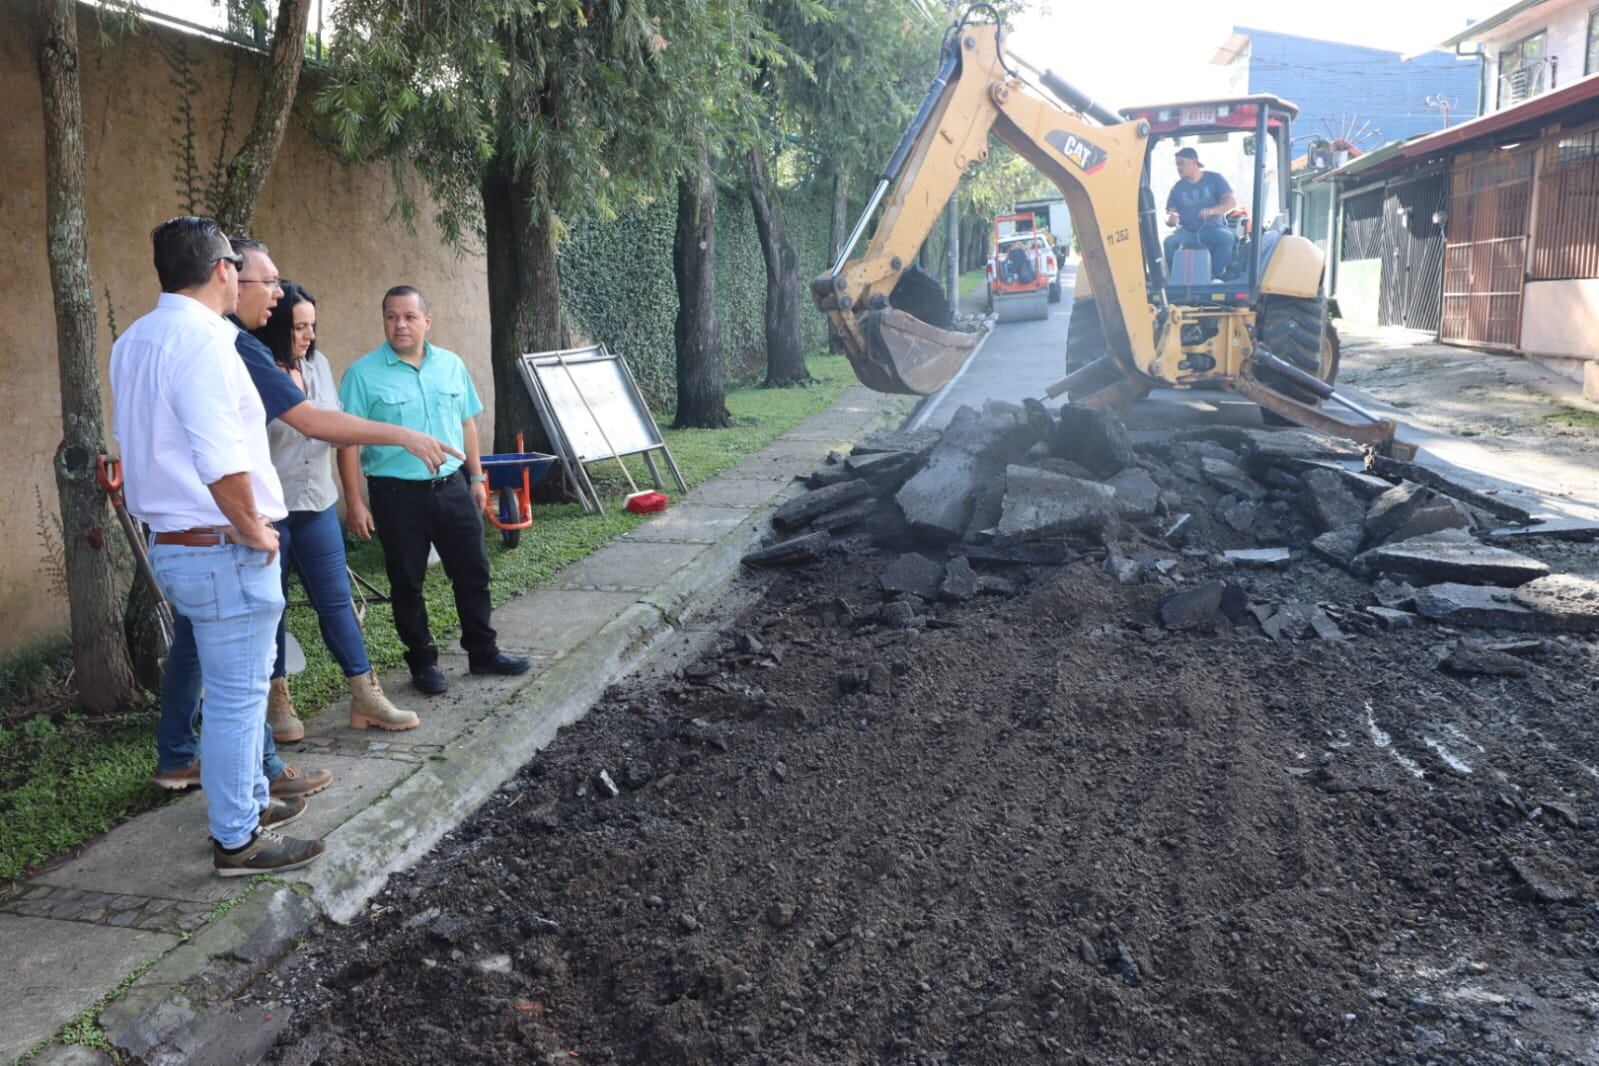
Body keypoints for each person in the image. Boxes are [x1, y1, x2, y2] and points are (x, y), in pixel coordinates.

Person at [152, 241, 460, 795]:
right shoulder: (226, 347)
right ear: (226, 275)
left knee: (211, 649)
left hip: (202, 531)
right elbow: (288, 432)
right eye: (268, 285)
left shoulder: (147, 340)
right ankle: (254, 792)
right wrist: (250, 525)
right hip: (227, 531)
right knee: (238, 677)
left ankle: (190, 759)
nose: (274, 296)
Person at [110, 215, 323, 876]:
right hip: (220, 546)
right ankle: (237, 839)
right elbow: (219, 458)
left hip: (177, 546)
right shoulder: (205, 343)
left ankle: (251, 803)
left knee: (234, 692)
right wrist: (256, 528)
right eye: (239, 266)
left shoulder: (136, 338)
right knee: (237, 701)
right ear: (222, 270)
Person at [338, 286, 530, 695]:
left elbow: (467, 424)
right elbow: (348, 442)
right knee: (407, 581)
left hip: (453, 487)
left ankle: (483, 652)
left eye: (409, 316)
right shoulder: (362, 374)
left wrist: (477, 479)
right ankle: (422, 662)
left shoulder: (452, 365)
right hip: (396, 495)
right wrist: (354, 502)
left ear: (428, 320)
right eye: (391, 316)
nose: (400, 324)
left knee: (473, 572)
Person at [251, 281, 421, 732]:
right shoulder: (256, 370)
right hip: (271, 510)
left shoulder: (319, 365)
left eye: (312, 326)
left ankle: (366, 697)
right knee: (274, 607)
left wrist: (352, 495)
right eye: (298, 327)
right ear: (276, 327)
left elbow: (338, 428)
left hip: (317, 505)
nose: (308, 336)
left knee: (337, 603)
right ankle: (278, 701)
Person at [1163, 147, 1237, 279]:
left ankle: (1214, 277)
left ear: (1194, 162)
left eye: (1181, 163)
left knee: (1227, 237)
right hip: (1187, 233)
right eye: (1177, 164)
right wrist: (1171, 219)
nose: (1178, 167)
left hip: (1212, 230)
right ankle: (1177, 279)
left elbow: (1231, 202)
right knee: (1169, 242)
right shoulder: (1177, 188)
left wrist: (1212, 210)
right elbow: (1170, 213)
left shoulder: (1215, 179)